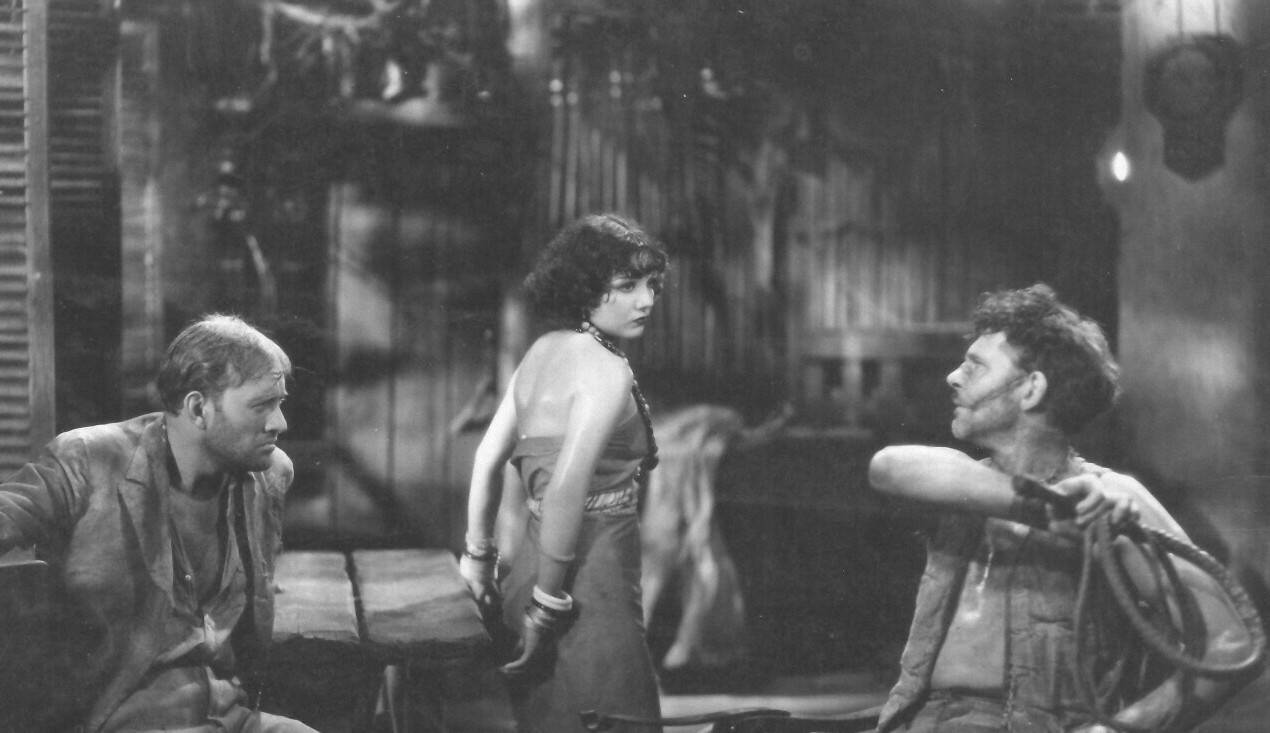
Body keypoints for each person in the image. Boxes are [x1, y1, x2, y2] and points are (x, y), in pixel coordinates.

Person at [868, 284, 1261, 732]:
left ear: (1032, 389)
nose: (953, 377)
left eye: (975, 366)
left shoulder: (1113, 500)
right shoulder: (961, 482)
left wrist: (1116, 730)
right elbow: (888, 467)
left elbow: (1231, 643)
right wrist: (1049, 510)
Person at [0, 314, 316, 733]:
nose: (279, 423)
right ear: (198, 409)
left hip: (231, 716)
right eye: (261, 406)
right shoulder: (89, 459)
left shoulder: (268, 475)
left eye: (280, 404)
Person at [460, 213, 668, 733]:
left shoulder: (541, 351)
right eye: (627, 286)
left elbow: (487, 459)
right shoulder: (606, 369)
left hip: (533, 572)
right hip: (586, 584)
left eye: (652, 284)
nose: (646, 300)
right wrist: (546, 611)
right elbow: (566, 489)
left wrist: (479, 561)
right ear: (585, 287)